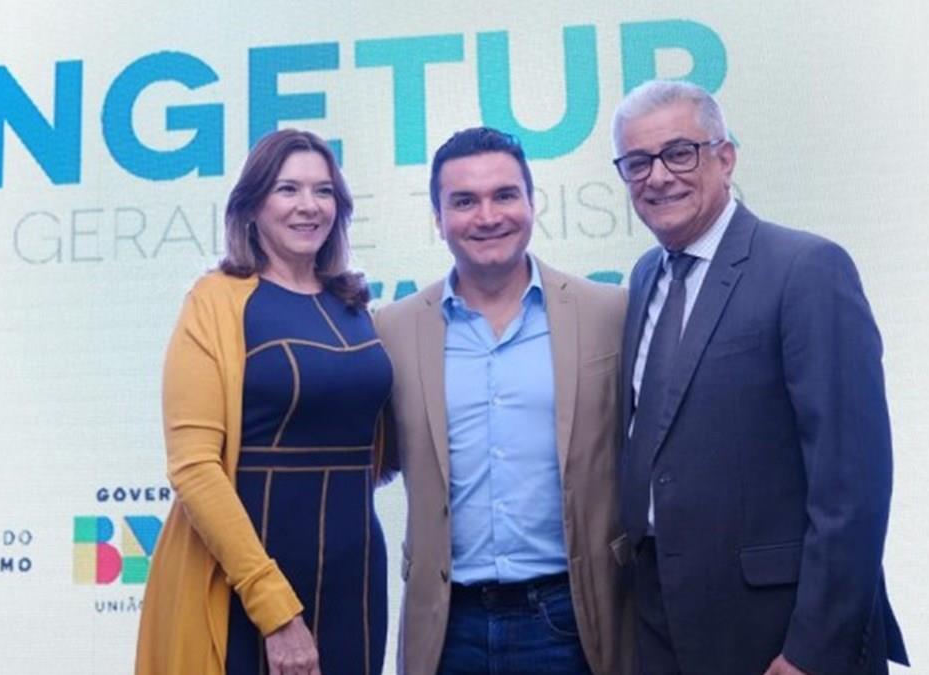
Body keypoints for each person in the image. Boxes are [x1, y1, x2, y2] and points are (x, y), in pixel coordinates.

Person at [612, 80, 909, 674]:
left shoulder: (806, 269)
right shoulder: (646, 277)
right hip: (665, 625)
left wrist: (813, 651)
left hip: (779, 632)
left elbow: (852, 485)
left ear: (725, 158)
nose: (658, 176)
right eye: (637, 162)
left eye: (679, 153)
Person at [374, 127, 633, 674]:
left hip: (573, 618)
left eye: (505, 195)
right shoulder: (392, 329)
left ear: (532, 204)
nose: (487, 216)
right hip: (448, 626)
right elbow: (373, 460)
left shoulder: (609, 313)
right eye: (464, 201)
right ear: (438, 217)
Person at [136, 129, 393, 675]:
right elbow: (194, 468)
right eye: (288, 189)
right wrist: (273, 607)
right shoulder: (215, 302)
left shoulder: (354, 307)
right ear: (252, 206)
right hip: (248, 586)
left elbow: (379, 446)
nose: (309, 206)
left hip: (355, 582)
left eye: (323, 191)